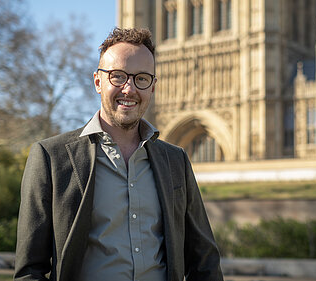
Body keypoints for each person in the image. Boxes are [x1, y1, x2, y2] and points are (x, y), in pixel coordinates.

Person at [14, 27, 224, 281]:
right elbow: (30, 271)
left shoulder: (175, 160)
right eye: (118, 76)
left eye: (142, 78)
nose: (129, 89)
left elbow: (205, 263)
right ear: (98, 82)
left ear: (153, 87)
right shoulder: (51, 157)